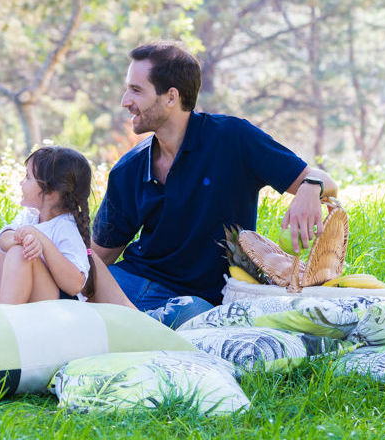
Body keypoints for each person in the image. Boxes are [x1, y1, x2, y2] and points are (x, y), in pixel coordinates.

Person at [91, 41, 339, 328]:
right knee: (68, 297)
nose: (124, 100)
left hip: (198, 299)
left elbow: (326, 181)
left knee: (192, 314)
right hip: (133, 283)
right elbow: (97, 257)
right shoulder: (129, 169)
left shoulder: (233, 139)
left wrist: (309, 187)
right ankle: (132, 325)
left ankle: (129, 326)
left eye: (136, 90)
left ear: (171, 97)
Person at [0, 146, 104, 305]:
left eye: (28, 177)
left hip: (58, 305)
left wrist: (41, 241)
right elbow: (3, 238)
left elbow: (75, 285)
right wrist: (23, 238)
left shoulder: (65, 228)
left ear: (51, 192)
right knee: (5, 255)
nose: (21, 182)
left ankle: (4, 317)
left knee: (20, 254)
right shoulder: (30, 216)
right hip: (33, 294)